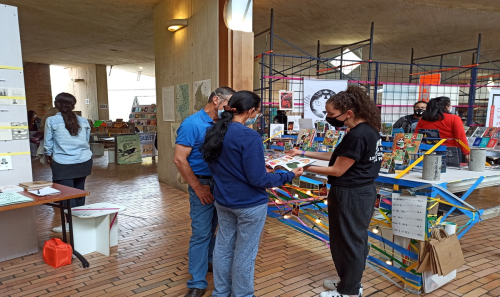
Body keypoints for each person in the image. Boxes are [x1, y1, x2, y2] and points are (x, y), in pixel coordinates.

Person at [201, 91, 303, 297]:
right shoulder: (249, 135)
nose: (257, 115)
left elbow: (226, 165)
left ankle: (221, 292)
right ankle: (243, 294)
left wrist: (258, 168)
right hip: (248, 203)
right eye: (257, 111)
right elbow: (258, 180)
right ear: (249, 111)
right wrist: (288, 175)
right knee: (245, 252)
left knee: (222, 247)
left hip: (223, 200)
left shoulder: (214, 131)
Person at [287, 86, 383, 297]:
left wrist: (300, 167)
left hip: (351, 194)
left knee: (349, 241)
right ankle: (350, 282)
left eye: (331, 114)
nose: (328, 117)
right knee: (351, 239)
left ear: (348, 113)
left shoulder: (358, 135)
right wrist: (302, 152)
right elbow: (338, 156)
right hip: (361, 192)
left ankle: (349, 291)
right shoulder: (368, 130)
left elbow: (337, 169)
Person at [173, 86, 236, 297]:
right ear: (216, 99)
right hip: (203, 182)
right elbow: (179, 159)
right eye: (228, 104)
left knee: (216, 229)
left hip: (223, 183)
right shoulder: (192, 124)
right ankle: (197, 282)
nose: (230, 109)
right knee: (201, 232)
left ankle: (209, 261)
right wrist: (198, 188)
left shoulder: (225, 123)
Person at [44, 93, 93, 233]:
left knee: (66, 195)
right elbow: (86, 140)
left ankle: (71, 225)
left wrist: (49, 155)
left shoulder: (52, 121)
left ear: (57, 104)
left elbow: (48, 144)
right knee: (79, 192)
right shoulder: (83, 121)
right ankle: (79, 223)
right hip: (84, 161)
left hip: (62, 162)